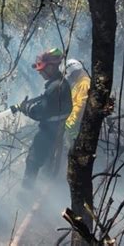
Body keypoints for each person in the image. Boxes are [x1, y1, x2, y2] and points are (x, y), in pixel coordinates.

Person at [14, 48, 72, 189]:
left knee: (33, 160)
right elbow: (46, 100)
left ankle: (26, 194)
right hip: (56, 131)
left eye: (42, 68)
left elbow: (40, 112)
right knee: (46, 162)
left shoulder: (56, 87)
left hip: (49, 133)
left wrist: (26, 108)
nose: (40, 72)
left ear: (51, 67)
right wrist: (27, 104)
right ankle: (45, 190)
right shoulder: (58, 83)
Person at [64, 59, 91, 143]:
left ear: (75, 72)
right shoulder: (78, 83)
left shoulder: (84, 83)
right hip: (75, 122)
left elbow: (80, 104)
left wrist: (70, 122)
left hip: (77, 124)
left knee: (74, 144)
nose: (71, 77)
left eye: (71, 75)